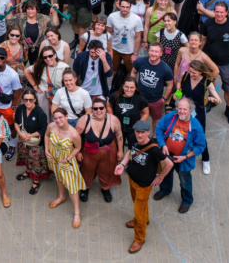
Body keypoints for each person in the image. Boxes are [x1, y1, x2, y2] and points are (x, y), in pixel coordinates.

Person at [114, 120, 174, 254]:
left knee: (138, 213)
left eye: (142, 132)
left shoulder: (154, 148)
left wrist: (160, 177)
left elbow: (169, 164)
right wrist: (122, 164)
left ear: (148, 132)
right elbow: (130, 151)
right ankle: (145, 220)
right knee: (137, 204)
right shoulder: (132, 138)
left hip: (144, 185)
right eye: (137, 132)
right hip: (132, 178)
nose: (139, 135)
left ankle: (139, 239)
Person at [153, 98, 206, 213]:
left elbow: (200, 146)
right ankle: (165, 190)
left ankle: (187, 200)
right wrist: (163, 145)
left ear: (190, 110)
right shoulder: (171, 116)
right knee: (166, 174)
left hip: (183, 159)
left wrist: (185, 157)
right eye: (179, 108)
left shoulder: (196, 126)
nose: (181, 111)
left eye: (184, 109)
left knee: (184, 180)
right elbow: (159, 128)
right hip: (168, 154)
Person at [175, 60, 222, 174]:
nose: (191, 74)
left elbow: (219, 100)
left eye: (194, 72)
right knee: (181, 131)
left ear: (201, 72)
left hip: (198, 112)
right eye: (190, 71)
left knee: (200, 136)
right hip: (184, 110)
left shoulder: (206, 82)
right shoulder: (185, 75)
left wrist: (213, 99)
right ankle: (181, 153)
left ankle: (205, 159)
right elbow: (179, 83)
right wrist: (177, 91)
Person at [201, 2, 229, 125]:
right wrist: (198, 56)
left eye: (221, 12)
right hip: (209, 60)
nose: (219, 14)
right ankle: (212, 101)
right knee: (210, 82)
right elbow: (203, 39)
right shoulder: (208, 23)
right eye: (217, 12)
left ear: (226, 12)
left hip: (225, 62)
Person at [76, 96, 123, 203]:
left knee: (107, 171)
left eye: (101, 108)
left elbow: (119, 135)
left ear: (105, 109)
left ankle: (105, 189)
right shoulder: (84, 120)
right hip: (89, 151)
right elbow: (76, 137)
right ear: (92, 109)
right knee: (86, 170)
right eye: (95, 108)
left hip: (108, 151)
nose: (98, 111)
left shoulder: (113, 120)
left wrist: (120, 151)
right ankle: (85, 188)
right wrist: (77, 152)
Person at [45, 108, 86, 229]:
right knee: (58, 177)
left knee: (72, 186)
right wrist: (47, 149)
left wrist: (68, 159)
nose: (58, 120)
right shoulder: (51, 126)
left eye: (60, 117)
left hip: (66, 160)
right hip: (54, 157)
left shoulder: (73, 133)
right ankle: (61, 197)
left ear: (67, 116)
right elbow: (46, 136)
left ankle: (77, 213)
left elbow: (78, 147)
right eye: (55, 118)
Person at [130, 43, 175, 137]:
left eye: (156, 51)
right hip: (140, 98)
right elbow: (133, 72)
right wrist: (133, 87)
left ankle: (155, 137)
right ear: (148, 51)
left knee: (156, 120)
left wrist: (164, 99)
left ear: (161, 53)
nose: (153, 53)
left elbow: (170, 85)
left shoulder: (165, 69)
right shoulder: (140, 61)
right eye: (151, 51)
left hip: (156, 100)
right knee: (139, 118)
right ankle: (138, 136)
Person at [14, 89, 50, 195]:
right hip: (23, 140)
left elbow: (43, 130)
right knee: (26, 158)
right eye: (25, 100)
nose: (28, 102)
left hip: (35, 144)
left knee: (35, 162)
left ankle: (36, 181)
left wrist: (29, 136)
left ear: (35, 99)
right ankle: (28, 172)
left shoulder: (40, 113)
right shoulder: (20, 108)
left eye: (30, 100)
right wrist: (21, 135)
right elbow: (16, 122)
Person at [107, 0, 145, 76]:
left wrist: (135, 54)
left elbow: (138, 37)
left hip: (129, 50)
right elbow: (109, 33)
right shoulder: (112, 16)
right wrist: (108, 49)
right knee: (114, 70)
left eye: (127, 7)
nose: (125, 9)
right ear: (119, 6)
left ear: (130, 7)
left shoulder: (136, 19)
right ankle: (115, 86)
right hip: (115, 48)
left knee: (130, 72)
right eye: (123, 7)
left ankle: (129, 87)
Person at [112, 77, 150, 147]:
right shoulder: (115, 96)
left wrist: (139, 125)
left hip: (133, 129)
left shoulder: (140, 99)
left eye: (132, 87)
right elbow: (108, 105)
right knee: (118, 148)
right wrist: (111, 118)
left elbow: (146, 113)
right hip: (118, 128)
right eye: (126, 87)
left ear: (136, 88)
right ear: (123, 86)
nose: (129, 90)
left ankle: (130, 158)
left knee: (133, 148)